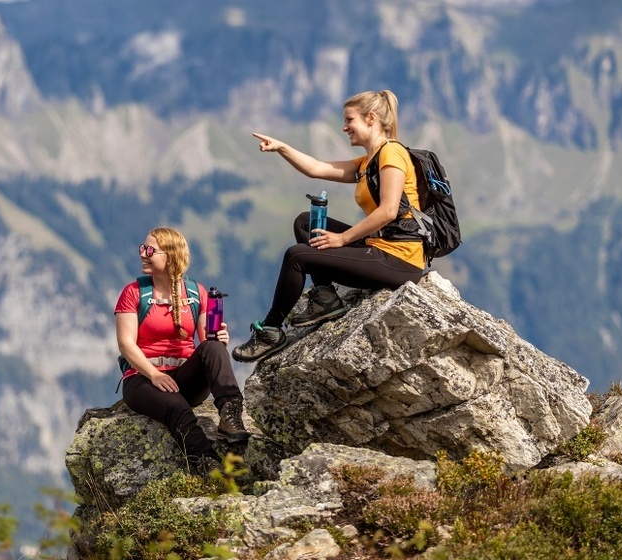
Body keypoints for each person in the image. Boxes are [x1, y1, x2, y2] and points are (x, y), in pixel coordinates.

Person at [232, 90, 425, 362]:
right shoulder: (367, 162)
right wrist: (282, 148)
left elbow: (388, 211)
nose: (344, 127)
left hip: (399, 259)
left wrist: (342, 239)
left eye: (349, 120)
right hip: (380, 248)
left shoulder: (392, 153)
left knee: (296, 256)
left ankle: (271, 330)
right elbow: (317, 168)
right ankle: (325, 297)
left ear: (370, 119)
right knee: (305, 221)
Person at [115, 227, 251, 475]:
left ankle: (230, 414)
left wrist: (220, 339)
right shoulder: (133, 293)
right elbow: (126, 344)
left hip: (183, 377)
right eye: (142, 249)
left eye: (149, 250)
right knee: (178, 409)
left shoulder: (196, 293)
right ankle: (206, 464)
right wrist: (154, 375)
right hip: (142, 379)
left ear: (170, 256)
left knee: (212, 347)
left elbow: (207, 343)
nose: (143, 255)